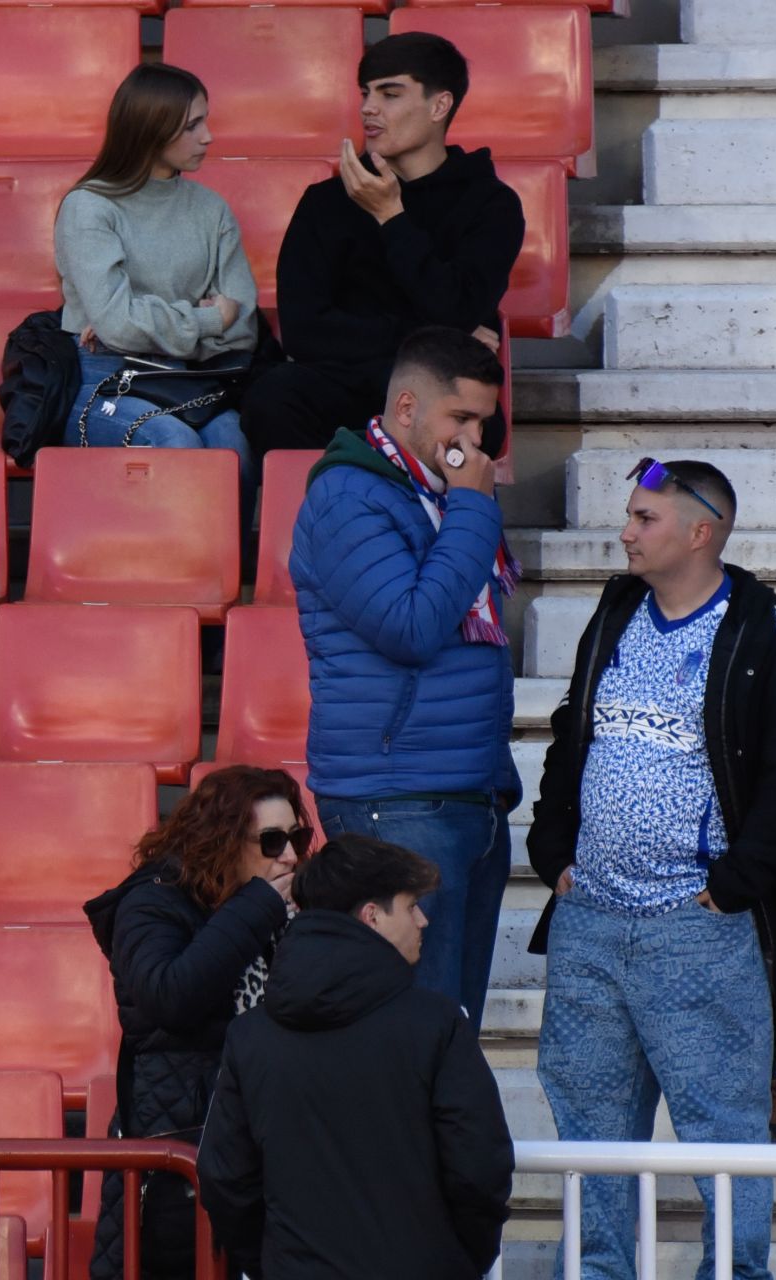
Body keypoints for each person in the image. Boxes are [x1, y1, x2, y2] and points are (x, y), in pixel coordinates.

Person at [526, 459, 776, 1280]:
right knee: (591, 1131)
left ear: (702, 533)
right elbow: (573, 727)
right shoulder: (616, 608)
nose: (625, 532)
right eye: (629, 516)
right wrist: (552, 849)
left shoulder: (767, 631)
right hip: (590, 920)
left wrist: (729, 888)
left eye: (644, 518)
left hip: (696, 928)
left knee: (723, 1135)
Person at [289, 325, 518, 1022]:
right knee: (414, 1032)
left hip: (465, 788)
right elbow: (411, 628)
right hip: (398, 795)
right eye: (462, 418)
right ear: (409, 407)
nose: (477, 440)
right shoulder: (348, 497)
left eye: (484, 421)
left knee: (450, 1031)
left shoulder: (439, 491)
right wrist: (474, 508)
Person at [199, 832, 514, 1280]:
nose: (423, 920)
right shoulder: (436, 1025)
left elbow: (225, 1178)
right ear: (372, 917)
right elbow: (480, 1168)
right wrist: (456, 1261)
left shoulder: (250, 1036)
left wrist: (274, 1262)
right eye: (410, 906)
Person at [241, 32, 524, 458]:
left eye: (390, 94)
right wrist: (432, 335)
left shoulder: (491, 204)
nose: (369, 108)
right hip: (343, 383)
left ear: (439, 105)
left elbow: (456, 306)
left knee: (464, 424)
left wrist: (391, 217)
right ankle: (331, 517)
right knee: (272, 397)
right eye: (365, 93)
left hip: (438, 388)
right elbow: (305, 331)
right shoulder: (326, 202)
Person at [81, 765, 311, 1280]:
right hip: (181, 1140)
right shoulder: (153, 901)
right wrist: (257, 908)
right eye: (272, 841)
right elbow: (170, 995)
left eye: (298, 836)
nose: (291, 855)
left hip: (269, 1143)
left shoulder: (288, 908)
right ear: (223, 840)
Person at [53, 64, 259, 479]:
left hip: (187, 381)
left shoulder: (211, 209)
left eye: (206, 121)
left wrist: (140, 324)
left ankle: (226, 548)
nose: (208, 136)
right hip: (106, 384)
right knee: (173, 441)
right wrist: (208, 318)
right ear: (149, 130)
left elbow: (242, 327)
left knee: (233, 441)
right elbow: (119, 326)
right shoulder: (90, 207)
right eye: (191, 126)